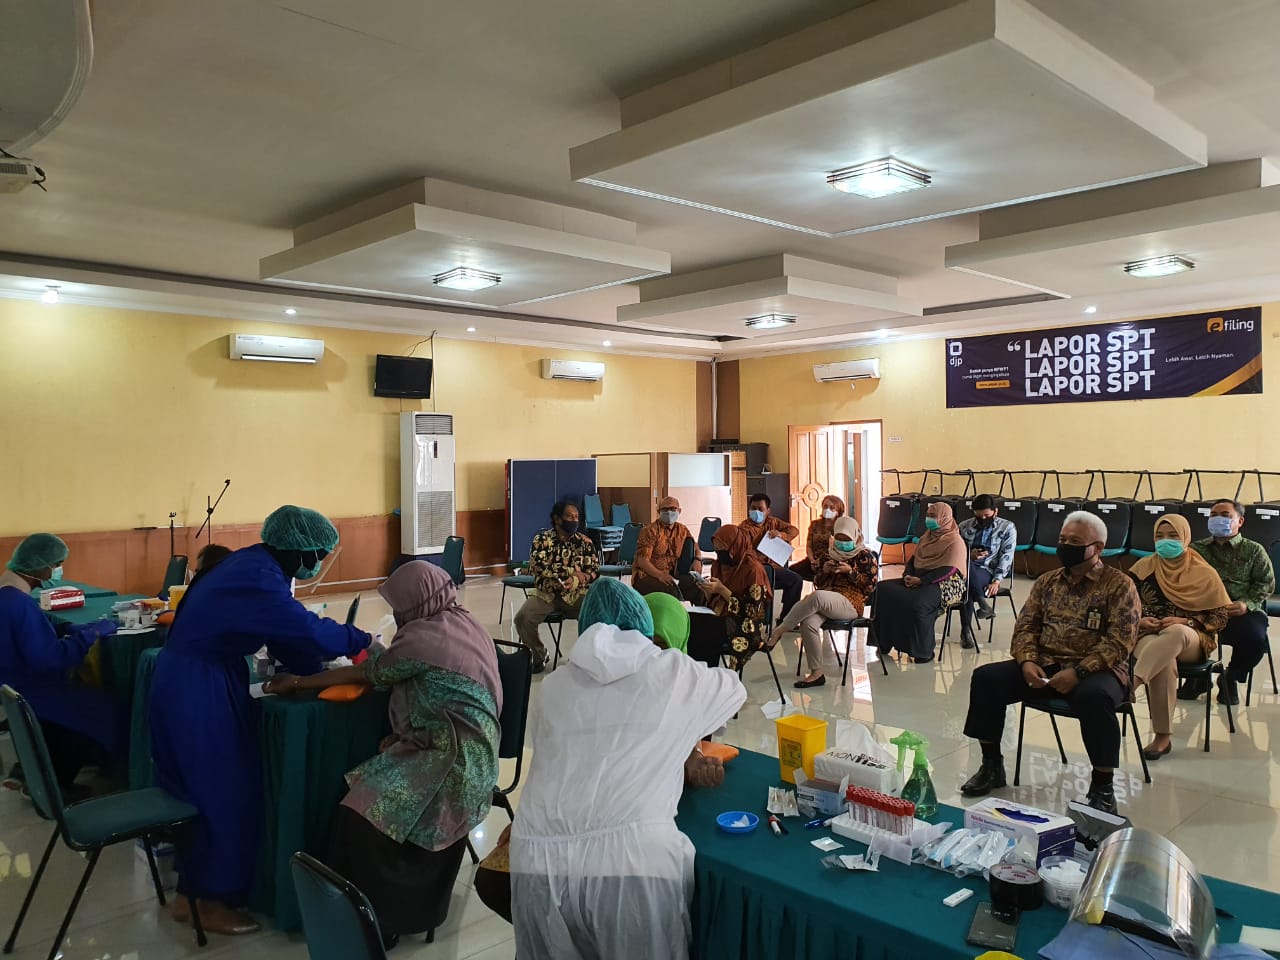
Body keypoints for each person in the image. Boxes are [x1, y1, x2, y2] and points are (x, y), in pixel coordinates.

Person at [150, 505, 372, 936]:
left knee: (204, 788)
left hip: (193, 677)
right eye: (318, 554)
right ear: (298, 548)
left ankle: (191, 894)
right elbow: (303, 629)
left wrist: (312, 673)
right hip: (197, 687)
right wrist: (360, 640)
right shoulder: (257, 577)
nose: (319, 562)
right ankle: (206, 902)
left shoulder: (253, 565)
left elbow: (283, 635)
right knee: (220, 791)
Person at [509, 578, 746, 960]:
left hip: (538, 863)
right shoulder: (674, 672)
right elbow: (734, 690)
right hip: (631, 866)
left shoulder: (553, 686)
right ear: (644, 627)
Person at [265, 561, 501, 946]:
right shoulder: (464, 622)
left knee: (359, 812)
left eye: (399, 606)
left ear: (416, 602)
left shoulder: (422, 639)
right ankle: (375, 906)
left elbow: (369, 672)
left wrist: (298, 682)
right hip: (469, 752)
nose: (397, 614)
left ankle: (383, 916)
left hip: (453, 764)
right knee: (363, 786)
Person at [959, 511, 1140, 814]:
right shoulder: (1047, 581)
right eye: (1062, 539)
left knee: (1095, 697)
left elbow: (1120, 642)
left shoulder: (1119, 585)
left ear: (1097, 548)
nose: (1065, 546)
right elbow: (1026, 627)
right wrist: (1027, 662)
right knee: (986, 679)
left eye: (1075, 542)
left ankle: (1103, 788)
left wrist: (1079, 672)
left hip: (1099, 670)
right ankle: (991, 766)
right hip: (1046, 664)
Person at [0, 534, 123, 796]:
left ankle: (31, 770)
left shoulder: (8, 593)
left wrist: (66, 627)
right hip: (35, 690)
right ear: (38, 565)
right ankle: (58, 783)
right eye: (56, 564)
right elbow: (50, 658)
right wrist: (88, 637)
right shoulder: (19, 604)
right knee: (106, 707)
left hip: (14, 685)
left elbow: (32, 630)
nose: (58, 570)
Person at [1128, 514, 1232, 760]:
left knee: (1175, 633)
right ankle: (1162, 738)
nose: (1165, 541)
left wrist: (1186, 621)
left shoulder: (1204, 573)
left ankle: (1132, 683)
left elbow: (1220, 617)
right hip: (1147, 635)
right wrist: (1139, 621)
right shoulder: (1142, 568)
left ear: (1185, 537)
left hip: (1192, 639)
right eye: (1160, 536)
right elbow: (1122, 607)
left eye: (1173, 536)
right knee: (1164, 662)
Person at [769, 517, 879, 688]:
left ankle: (780, 630)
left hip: (850, 603)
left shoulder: (865, 556)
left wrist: (851, 572)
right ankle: (817, 673)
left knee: (817, 597)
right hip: (827, 601)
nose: (842, 542)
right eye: (839, 538)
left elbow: (870, 587)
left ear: (856, 536)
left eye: (846, 539)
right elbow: (818, 582)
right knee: (808, 622)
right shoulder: (828, 554)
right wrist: (825, 571)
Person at [1186, 499, 1276, 705]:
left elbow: (1265, 583)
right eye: (1213, 515)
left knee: (1255, 638)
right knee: (1179, 631)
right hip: (1204, 610)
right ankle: (1197, 677)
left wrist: (1246, 603)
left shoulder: (1254, 550)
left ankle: (1231, 676)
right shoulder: (1195, 549)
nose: (1218, 519)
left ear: (1240, 521)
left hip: (1239, 612)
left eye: (1225, 515)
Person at [872, 501, 968, 663]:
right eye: (928, 515)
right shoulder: (926, 537)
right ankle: (884, 642)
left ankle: (923, 651)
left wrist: (922, 581)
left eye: (933, 516)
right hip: (920, 578)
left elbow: (949, 570)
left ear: (944, 518)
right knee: (882, 590)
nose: (929, 519)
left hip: (947, 583)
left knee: (919, 602)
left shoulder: (955, 541)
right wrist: (908, 575)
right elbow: (913, 560)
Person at [513, 499, 599, 672]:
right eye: (569, 516)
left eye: (576, 517)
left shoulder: (585, 542)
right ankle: (539, 655)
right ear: (557, 519)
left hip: (577, 594)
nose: (574, 520)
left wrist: (578, 579)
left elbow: (594, 571)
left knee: (597, 614)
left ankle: (587, 657)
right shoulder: (542, 540)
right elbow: (538, 566)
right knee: (523, 618)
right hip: (547, 594)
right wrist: (573, 573)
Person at [698, 524, 774, 670]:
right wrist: (708, 592)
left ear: (735, 545)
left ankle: (711, 675)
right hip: (720, 615)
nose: (719, 552)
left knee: (706, 633)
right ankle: (702, 673)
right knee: (693, 624)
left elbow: (753, 610)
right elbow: (715, 601)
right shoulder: (718, 565)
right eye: (716, 548)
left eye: (722, 547)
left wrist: (722, 590)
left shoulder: (753, 569)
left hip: (745, 622)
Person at [957, 494, 1017, 648]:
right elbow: (956, 552)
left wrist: (996, 581)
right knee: (967, 573)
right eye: (979, 516)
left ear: (995, 512)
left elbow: (1007, 556)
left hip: (988, 570)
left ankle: (965, 632)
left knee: (966, 586)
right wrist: (970, 555)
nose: (983, 519)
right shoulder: (964, 526)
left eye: (987, 516)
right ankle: (982, 604)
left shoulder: (1007, 527)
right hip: (965, 568)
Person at [740, 494, 802, 622]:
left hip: (774, 567)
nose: (756, 512)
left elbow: (794, 530)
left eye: (760, 509)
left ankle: (786, 619)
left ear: (768, 511)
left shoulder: (773, 522)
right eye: (753, 508)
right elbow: (744, 554)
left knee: (796, 580)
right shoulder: (744, 528)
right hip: (757, 570)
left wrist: (781, 534)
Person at [631, 497, 699, 600]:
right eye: (665, 509)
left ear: (679, 511)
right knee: (671, 590)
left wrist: (698, 558)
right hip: (647, 576)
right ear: (659, 512)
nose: (669, 512)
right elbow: (642, 561)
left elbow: (695, 545)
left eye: (672, 509)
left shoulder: (682, 530)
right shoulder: (650, 531)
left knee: (698, 585)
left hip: (671, 575)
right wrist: (660, 575)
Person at [791, 495, 846, 581]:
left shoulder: (841, 527)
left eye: (832, 508)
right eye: (825, 506)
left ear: (838, 511)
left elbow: (839, 550)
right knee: (792, 572)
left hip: (830, 561)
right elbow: (809, 546)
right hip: (813, 559)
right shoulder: (815, 524)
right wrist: (812, 561)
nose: (827, 509)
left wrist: (821, 561)